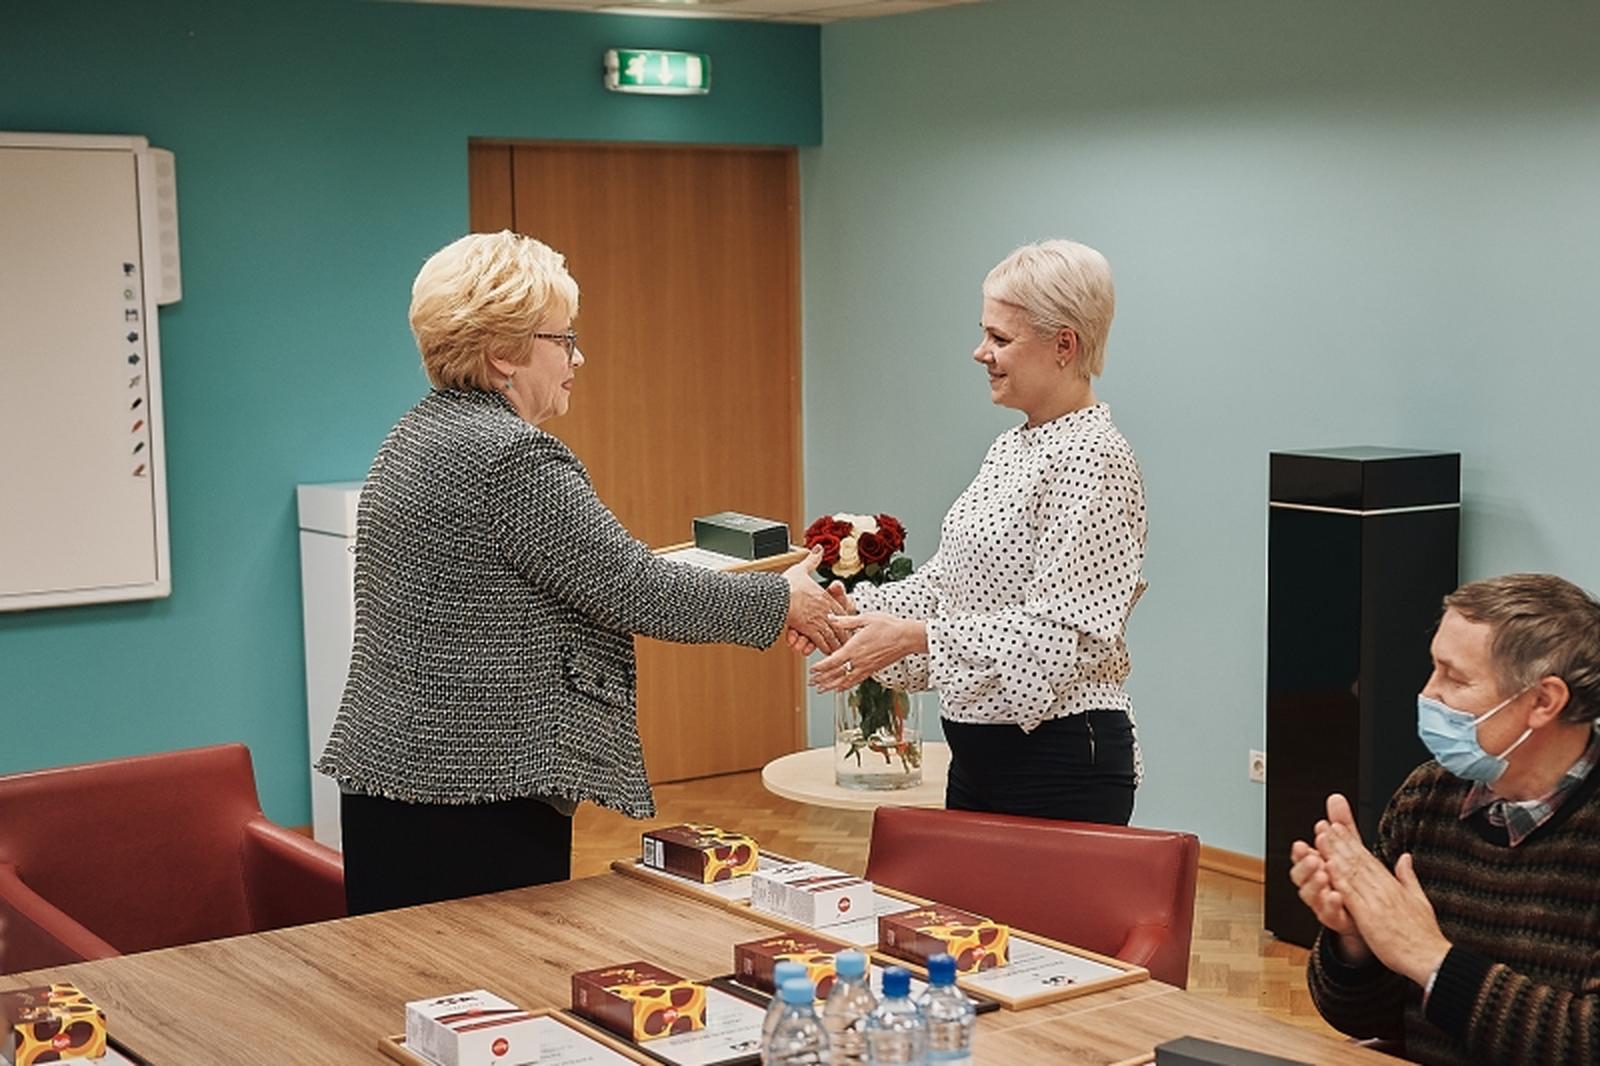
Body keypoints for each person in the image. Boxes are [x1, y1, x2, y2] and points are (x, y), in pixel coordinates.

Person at [316, 231, 840, 915]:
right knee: (492, 975)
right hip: (478, 788)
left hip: (404, 774)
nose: (578, 357)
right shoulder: (512, 456)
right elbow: (634, 589)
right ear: (504, 353)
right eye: (563, 339)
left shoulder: (414, 435)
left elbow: (570, 574)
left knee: (413, 976)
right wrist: (781, 600)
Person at [808, 239, 1147, 824]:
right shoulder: (1012, 447)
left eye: (1000, 338)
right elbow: (948, 586)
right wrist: (846, 613)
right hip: (980, 758)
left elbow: (1057, 635)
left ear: (1064, 345)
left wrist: (914, 638)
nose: (980, 352)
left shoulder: (1094, 457)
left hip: (1058, 762)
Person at [1290, 573, 1600, 1065]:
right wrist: (1357, 941)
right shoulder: (1427, 796)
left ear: (1543, 701)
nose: (1428, 694)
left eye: (1455, 679)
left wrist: (1429, 957)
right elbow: (1371, 1022)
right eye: (1433, 669)